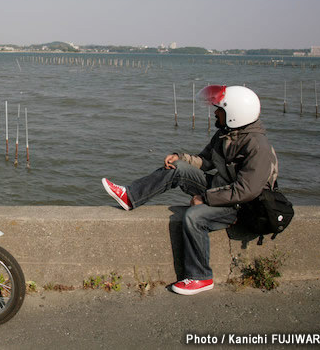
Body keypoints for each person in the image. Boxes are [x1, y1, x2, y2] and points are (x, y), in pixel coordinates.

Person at [102, 85, 278, 295]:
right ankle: (130, 196)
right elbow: (205, 161)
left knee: (194, 217)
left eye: (219, 110)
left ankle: (200, 277)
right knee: (177, 169)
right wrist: (182, 158)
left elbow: (246, 190)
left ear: (234, 114)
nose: (215, 112)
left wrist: (205, 198)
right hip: (223, 188)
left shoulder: (257, 145)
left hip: (242, 205)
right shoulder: (226, 134)